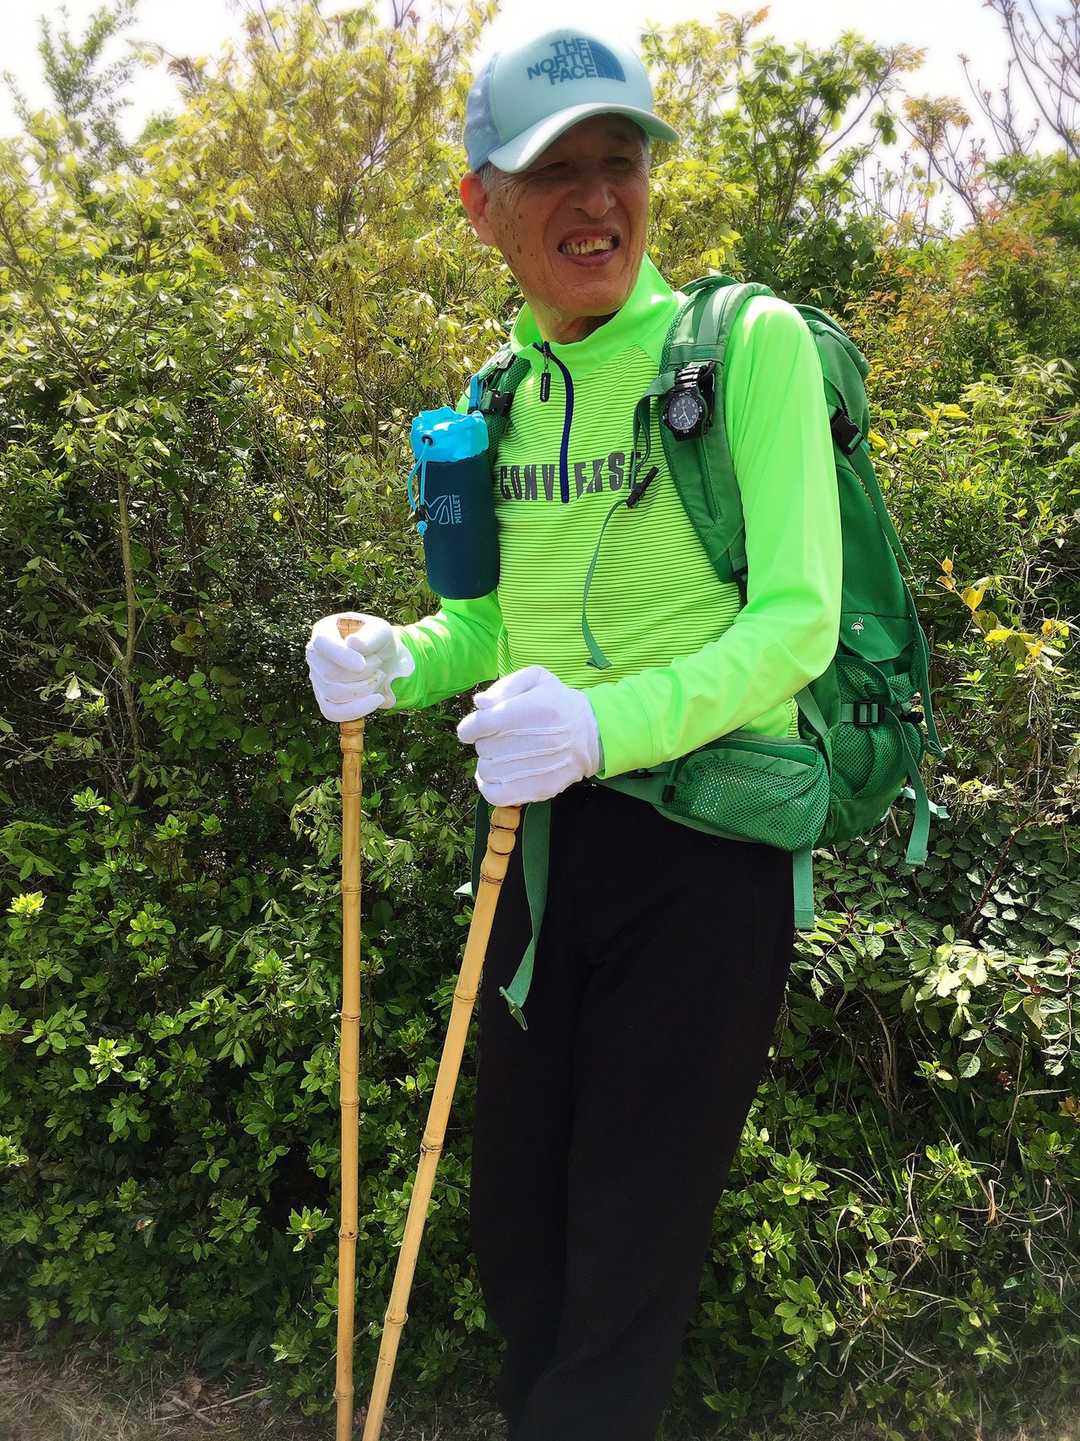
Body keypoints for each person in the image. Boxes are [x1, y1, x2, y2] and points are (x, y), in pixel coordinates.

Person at [307, 27, 842, 1441]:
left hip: (708, 852)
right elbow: (487, 629)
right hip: (542, 845)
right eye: (554, 169)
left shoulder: (747, 349)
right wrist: (390, 659)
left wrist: (602, 725)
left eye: (622, 160)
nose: (597, 198)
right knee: (519, 1222)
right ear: (480, 204)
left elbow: (798, 623)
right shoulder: (496, 398)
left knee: (627, 1244)